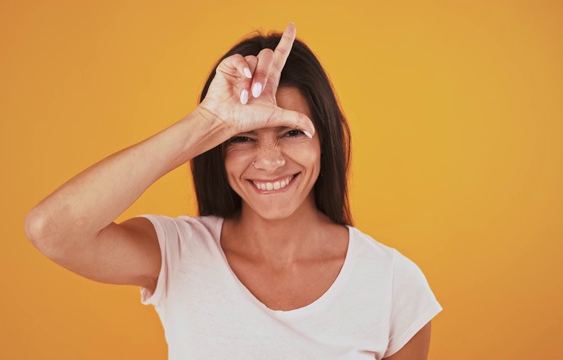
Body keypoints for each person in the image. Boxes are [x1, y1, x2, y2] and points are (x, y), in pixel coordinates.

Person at [25, 23, 442, 359]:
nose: (270, 160)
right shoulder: (178, 253)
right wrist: (208, 122)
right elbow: (51, 229)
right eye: (242, 138)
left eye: (292, 131)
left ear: (324, 140)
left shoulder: (392, 283)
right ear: (217, 152)